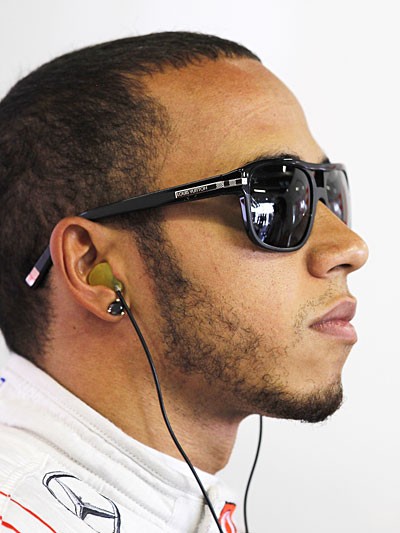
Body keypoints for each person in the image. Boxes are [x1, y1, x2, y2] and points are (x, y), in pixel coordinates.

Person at [0, 31, 368, 533]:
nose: (349, 246)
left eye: (327, 192)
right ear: (93, 269)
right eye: (274, 198)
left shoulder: (174, 503)